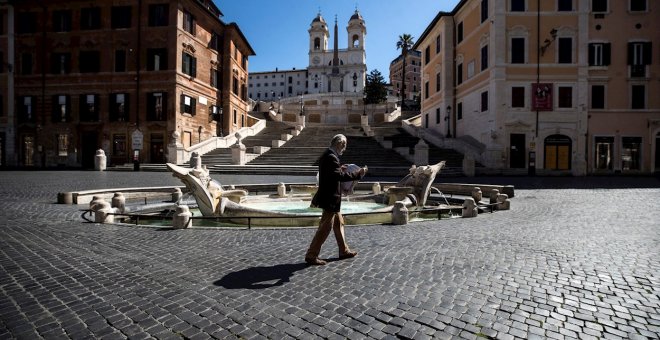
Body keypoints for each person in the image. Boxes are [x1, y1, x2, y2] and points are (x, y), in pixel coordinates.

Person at [305, 134, 367, 265]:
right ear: (339, 144)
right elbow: (338, 176)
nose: (344, 148)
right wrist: (358, 173)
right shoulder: (331, 157)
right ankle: (311, 254)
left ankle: (343, 250)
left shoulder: (328, 155)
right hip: (330, 198)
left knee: (339, 223)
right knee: (325, 227)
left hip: (331, 198)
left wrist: (340, 168)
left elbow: (333, 173)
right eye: (343, 145)